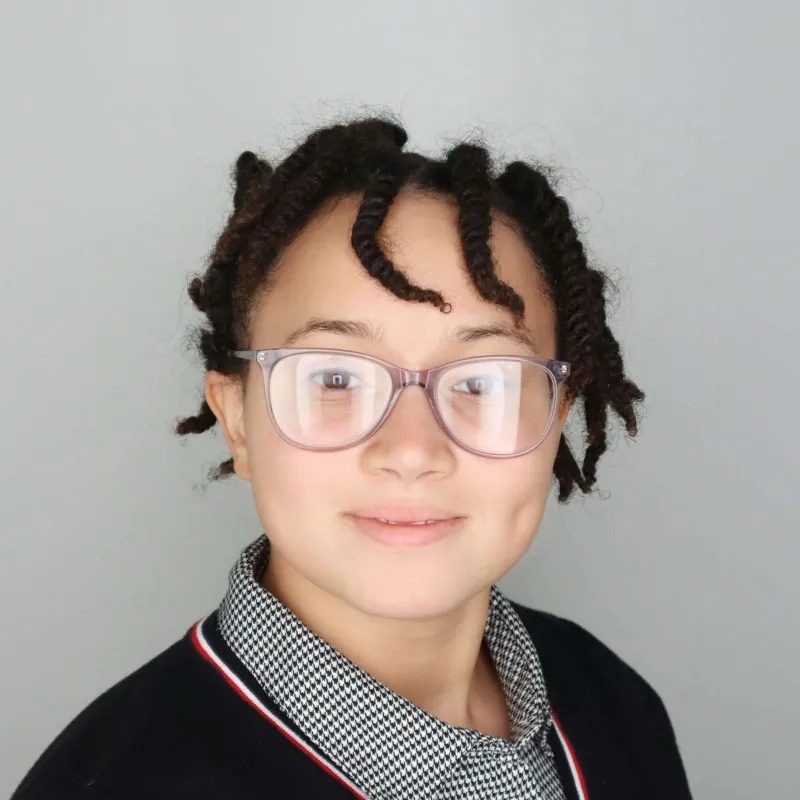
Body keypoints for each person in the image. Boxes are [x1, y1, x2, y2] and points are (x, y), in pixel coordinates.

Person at [12, 117, 693, 799]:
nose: (411, 451)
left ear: (556, 420)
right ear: (238, 420)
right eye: (336, 378)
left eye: (483, 381)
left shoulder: (613, 706)